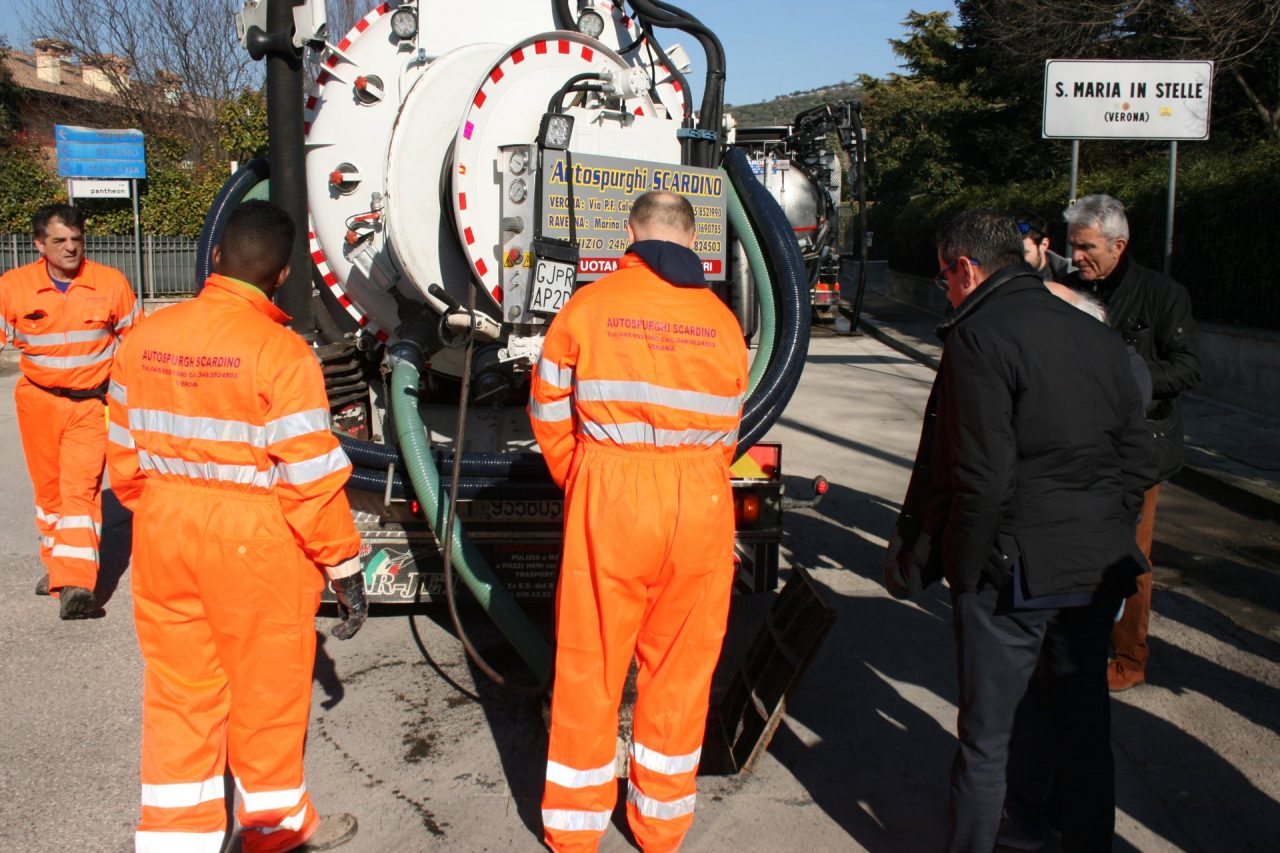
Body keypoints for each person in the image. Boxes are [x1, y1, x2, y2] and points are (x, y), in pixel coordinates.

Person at [106, 200, 368, 853]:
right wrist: (344, 564)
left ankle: (173, 841)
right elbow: (310, 481)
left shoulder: (142, 338)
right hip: (257, 543)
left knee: (179, 697)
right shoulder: (282, 355)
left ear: (216, 256)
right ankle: (274, 832)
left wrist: (170, 512)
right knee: (267, 699)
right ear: (280, 277)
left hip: (165, 532)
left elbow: (124, 464)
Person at [892, 209, 1157, 852]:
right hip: (1093, 568)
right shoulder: (1098, 335)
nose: (945, 292)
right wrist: (1104, 534)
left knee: (987, 738)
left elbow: (978, 475)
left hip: (1013, 570)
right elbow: (1138, 461)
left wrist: (964, 568)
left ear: (965, 268)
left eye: (944, 278)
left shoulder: (979, 335)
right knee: (1084, 725)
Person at [529, 190, 748, 852]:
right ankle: (661, 825)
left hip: (613, 493)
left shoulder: (589, 307)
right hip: (701, 499)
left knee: (591, 663)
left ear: (631, 234)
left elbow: (544, 409)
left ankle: (573, 829)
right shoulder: (722, 323)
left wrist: (584, 475)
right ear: (692, 240)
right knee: (681, 669)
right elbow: (730, 431)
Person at [1064, 193, 1202, 692]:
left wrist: (1127, 377)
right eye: (1073, 246)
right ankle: (1075, 638)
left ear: (1118, 245)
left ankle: (1128, 657)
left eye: (1086, 247)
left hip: (1141, 451)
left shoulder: (1164, 296)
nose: (1076, 257)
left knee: (1130, 559)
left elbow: (1189, 367)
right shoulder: (1068, 290)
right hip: (1081, 446)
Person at [0, 203, 138, 619]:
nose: (70, 248)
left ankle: (77, 584)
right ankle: (57, 566)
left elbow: (135, 342)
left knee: (80, 489)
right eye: (59, 240)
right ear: (39, 244)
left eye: (76, 239)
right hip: (37, 401)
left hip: (90, 405)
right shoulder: (13, 286)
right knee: (49, 493)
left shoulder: (109, 283)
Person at [1013, 212, 1071, 282]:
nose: (1018, 259)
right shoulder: (1001, 279)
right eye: (1014, 253)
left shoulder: (1070, 280)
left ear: (1044, 244)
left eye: (1025, 253)